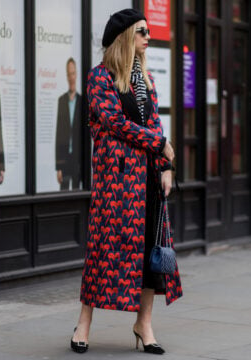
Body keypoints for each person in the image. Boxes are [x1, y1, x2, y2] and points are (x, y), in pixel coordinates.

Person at [70, 8, 182, 355]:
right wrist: (159, 145)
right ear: (124, 38)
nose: (148, 38)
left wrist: (165, 166)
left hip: (147, 181)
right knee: (102, 252)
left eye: (149, 32)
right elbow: (117, 123)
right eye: (142, 32)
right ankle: (83, 323)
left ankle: (143, 324)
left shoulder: (145, 81)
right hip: (116, 184)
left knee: (150, 254)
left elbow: (156, 126)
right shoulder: (98, 78)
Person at [55, 58, 82, 190]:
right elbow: (58, 135)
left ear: (76, 74)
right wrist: (58, 166)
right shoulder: (61, 101)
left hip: (77, 159)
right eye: (68, 74)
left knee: (77, 192)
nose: (71, 77)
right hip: (64, 158)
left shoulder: (82, 102)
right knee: (63, 193)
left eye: (73, 73)